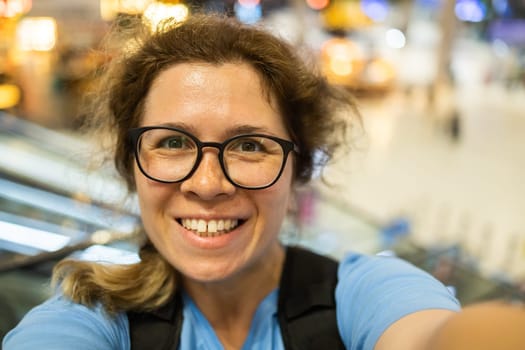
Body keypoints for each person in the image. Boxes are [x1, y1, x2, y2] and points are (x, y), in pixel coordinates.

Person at [3, 13, 461, 350]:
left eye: (249, 147)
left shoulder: (366, 295)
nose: (207, 183)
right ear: (131, 167)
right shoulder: (93, 319)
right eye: (172, 143)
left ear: (297, 170)